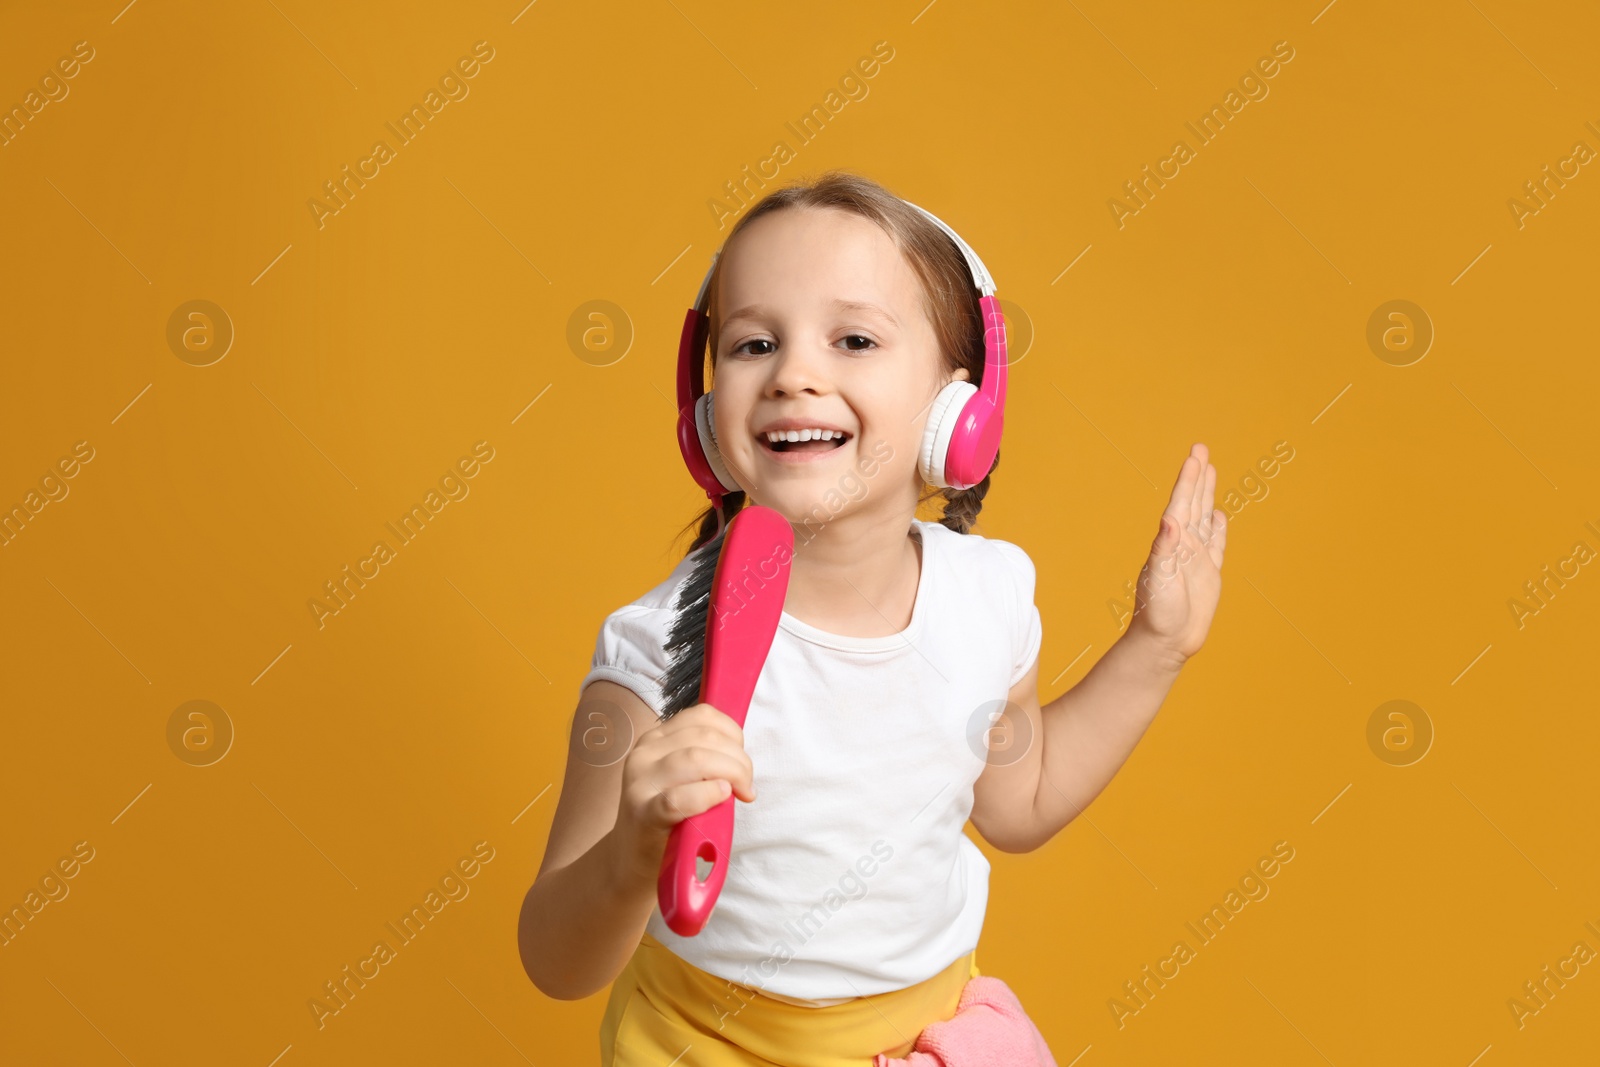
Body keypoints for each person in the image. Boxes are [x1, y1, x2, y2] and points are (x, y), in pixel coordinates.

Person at [518, 170, 1228, 1065]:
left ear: (958, 410)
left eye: (853, 338)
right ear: (704, 419)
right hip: (707, 1046)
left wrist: (1157, 646)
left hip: (923, 1040)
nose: (795, 374)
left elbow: (1021, 798)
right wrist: (630, 854)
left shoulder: (988, 595)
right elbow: (553, 955)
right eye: (751, 345)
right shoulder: (654, 652)